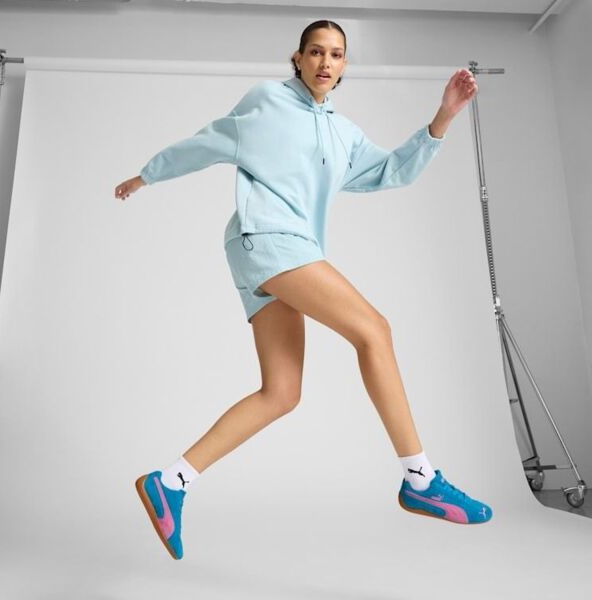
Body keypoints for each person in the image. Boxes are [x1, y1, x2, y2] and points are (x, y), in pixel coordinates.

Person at [115, 20, 492, 560]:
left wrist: (444, 117)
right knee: (374, 330)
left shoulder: (343, 133)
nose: (325, 62)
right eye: (315, 52)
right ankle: (421, 478)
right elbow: (208, 142)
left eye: (336, 55)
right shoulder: (266, 101)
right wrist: (147, 175)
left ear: (344, 65)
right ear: (297, 58)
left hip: (273, 249)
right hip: (267, 238)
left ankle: (170, 481)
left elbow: (390, 171)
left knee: (282, 392)